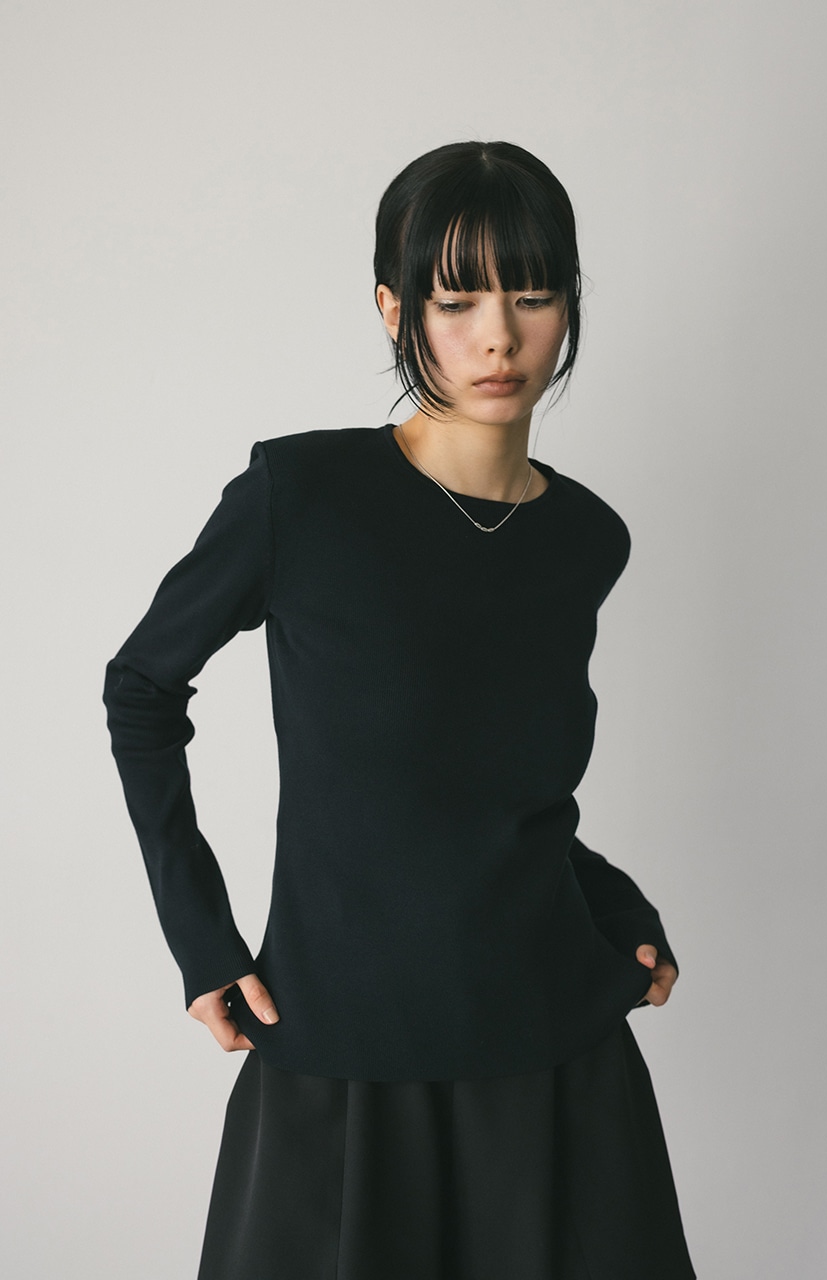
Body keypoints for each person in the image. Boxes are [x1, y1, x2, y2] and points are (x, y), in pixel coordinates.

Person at [103, 140, 696, 1279]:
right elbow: (141, 689)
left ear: (569, 304)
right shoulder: (300, 497)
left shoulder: (585, 539)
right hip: (343, 1055)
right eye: (456, 299)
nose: (498, 336)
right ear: (393, 308)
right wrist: (200, 938)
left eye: (532, 295)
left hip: (557, 1056)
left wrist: (614, 901)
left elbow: (498, 793)